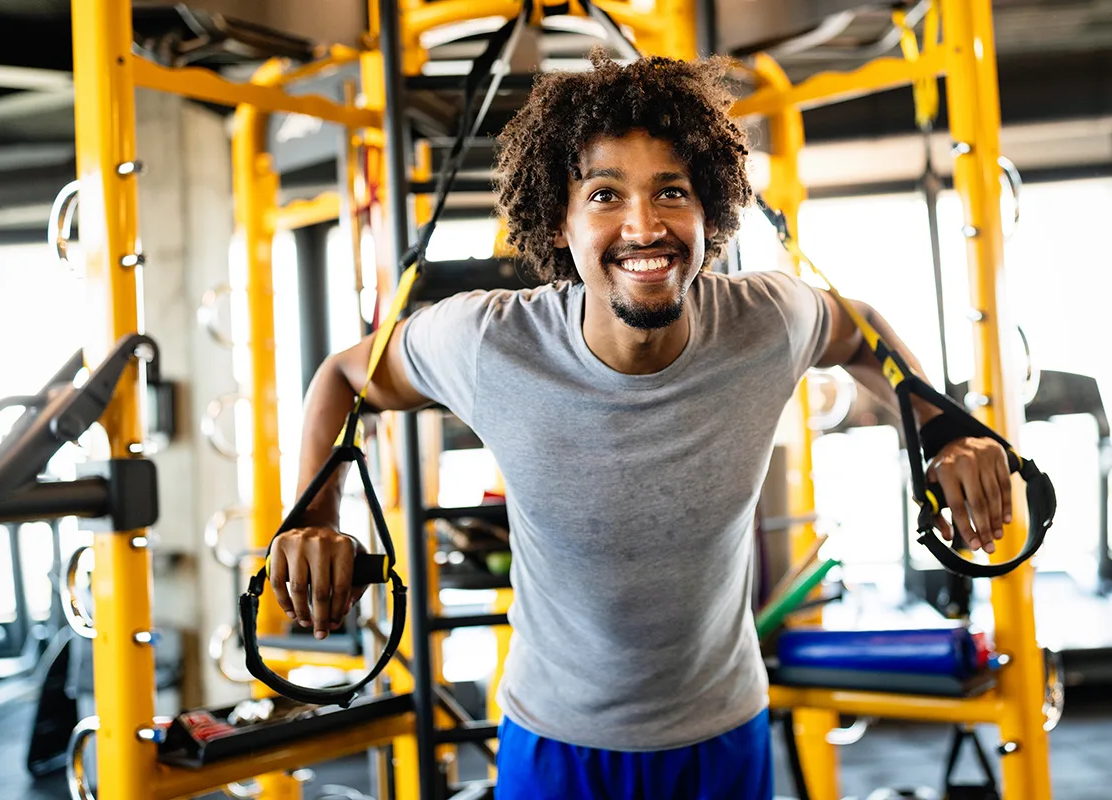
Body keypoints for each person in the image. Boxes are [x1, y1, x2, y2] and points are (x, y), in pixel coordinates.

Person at [267, 53, 1013, 799]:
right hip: (558, 742)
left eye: (672, 192)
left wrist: (943, 432)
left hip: (723, 733)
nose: (644, 226)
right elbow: (343, 375)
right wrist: (315, 514)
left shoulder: (766, 320)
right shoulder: (490, 344)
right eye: (603, 194)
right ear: (558, 223)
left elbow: (861, 333)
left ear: (708, 211)